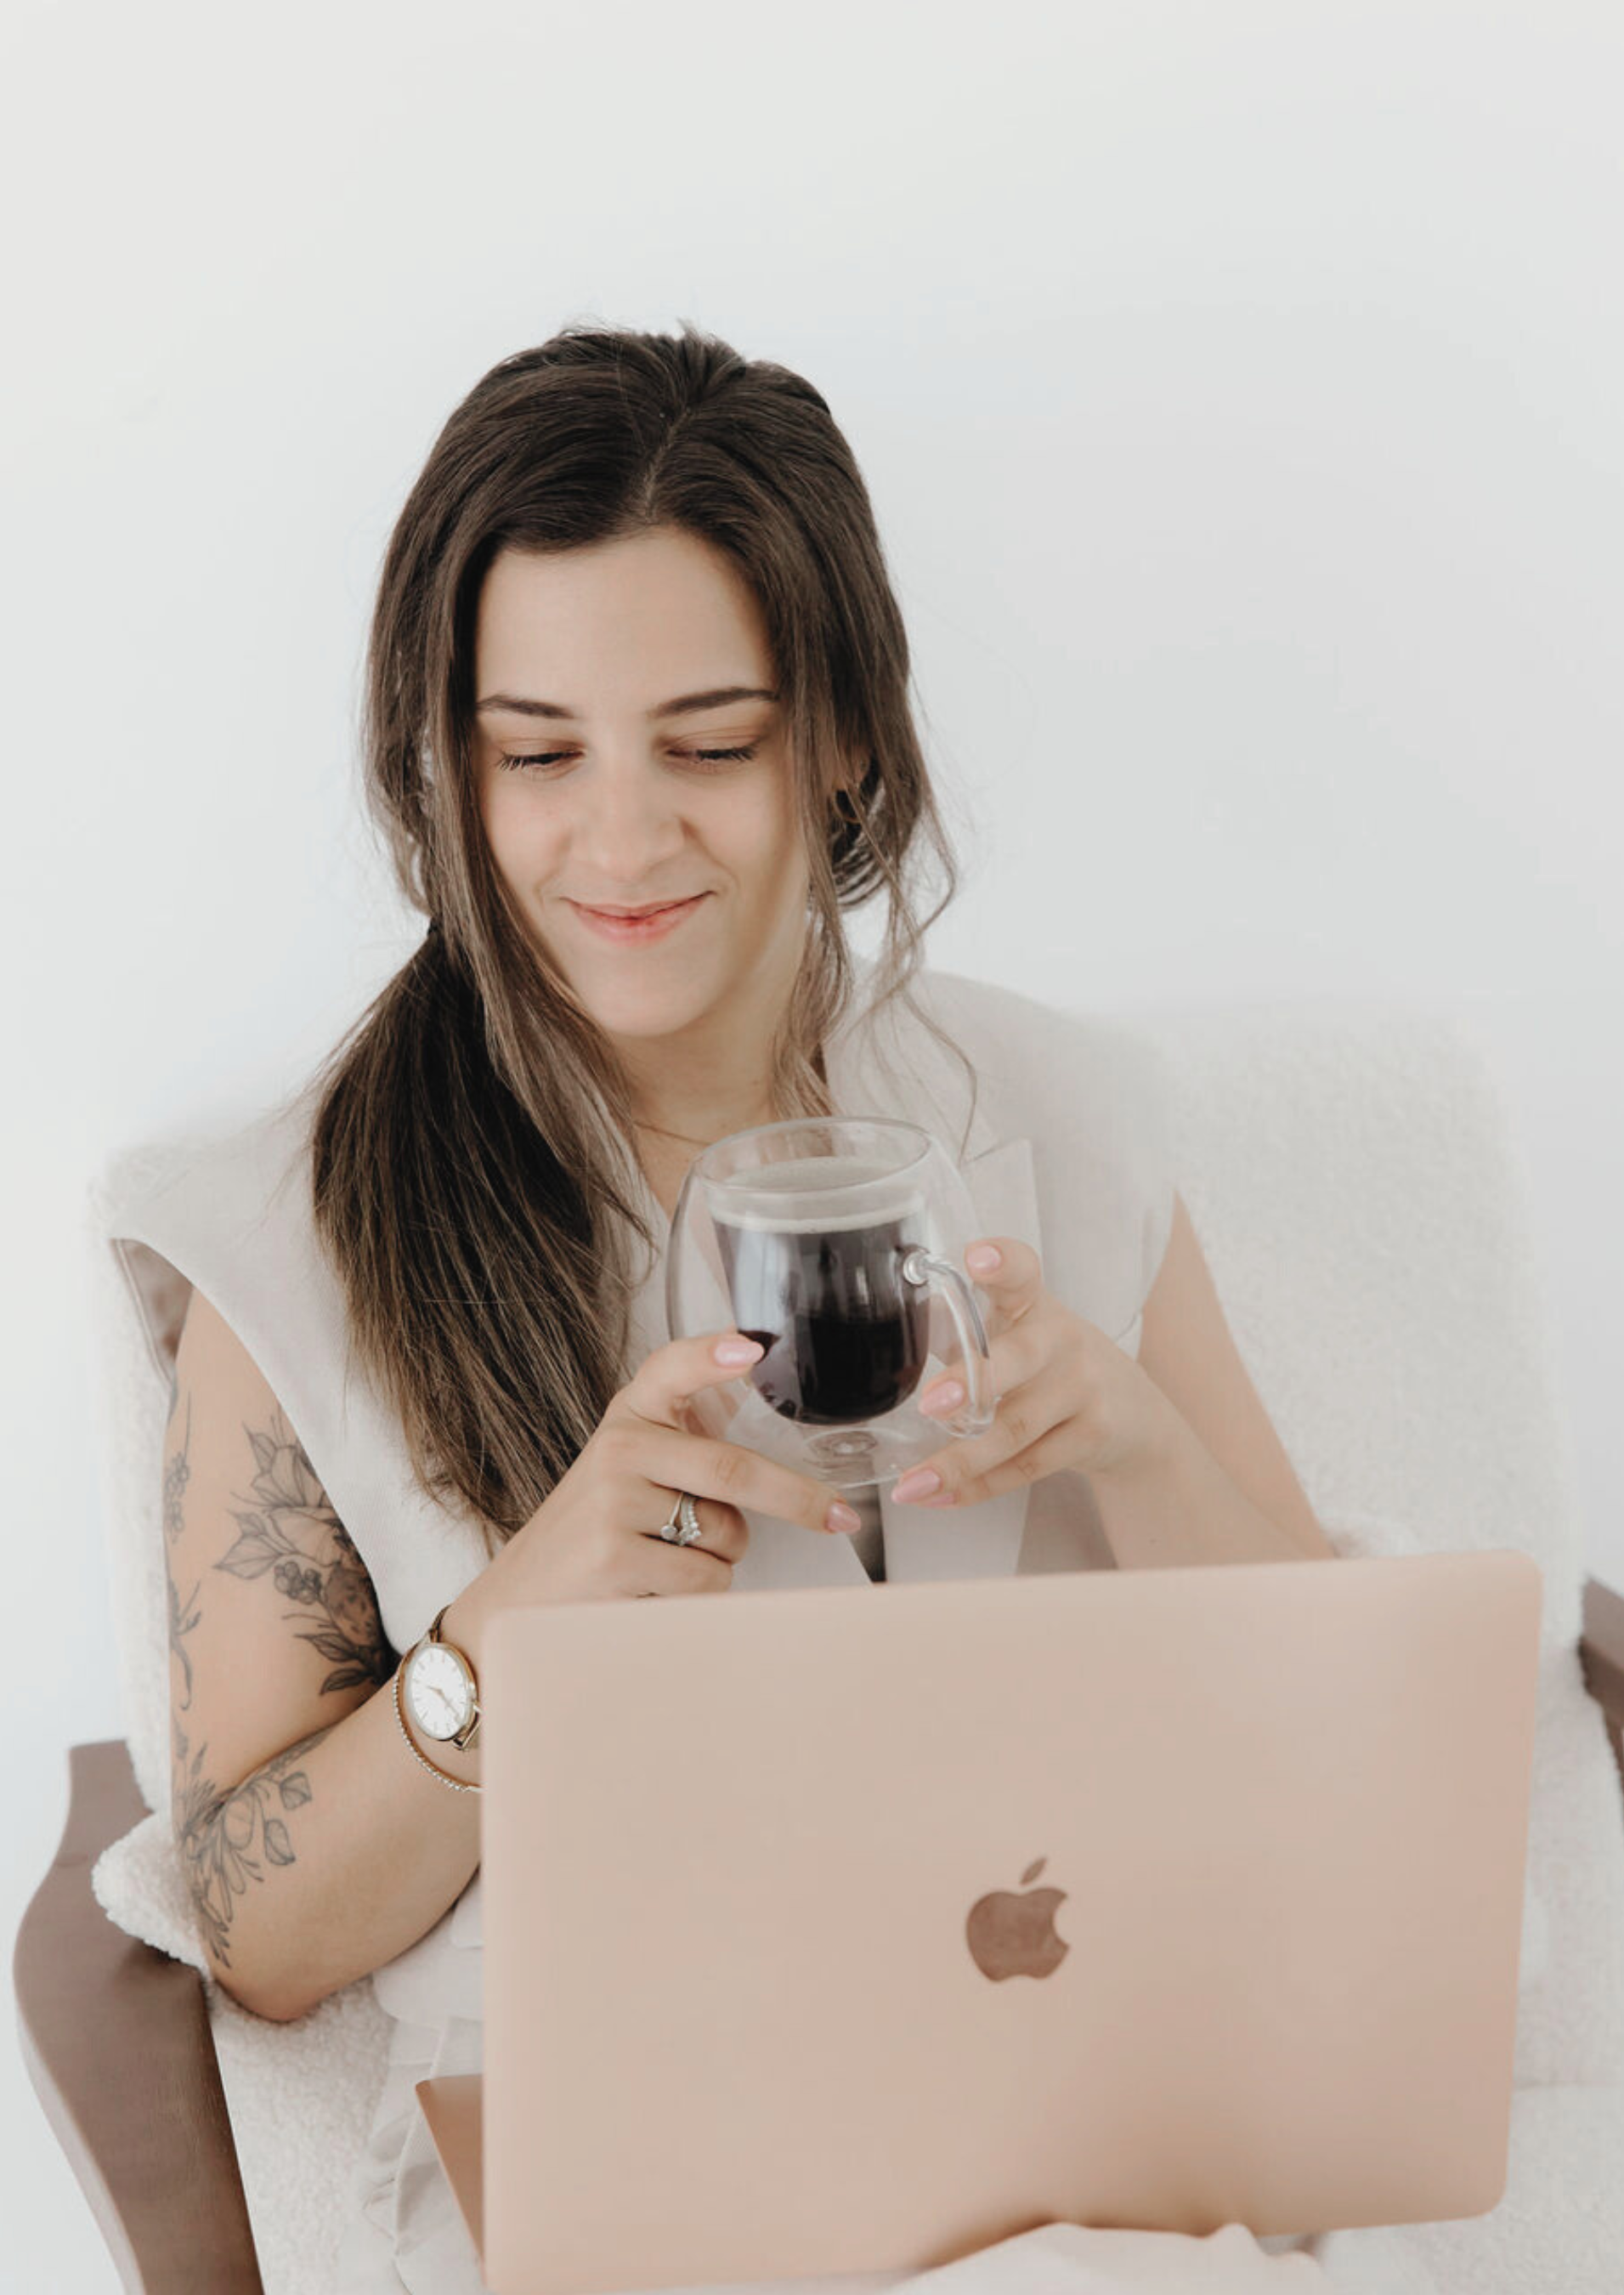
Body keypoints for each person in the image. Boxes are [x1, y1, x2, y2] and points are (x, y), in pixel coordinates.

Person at [116, 321, 1369, 2293]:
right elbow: (256, 1939)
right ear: (442, 764)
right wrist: (512, 1628)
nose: (617, 842)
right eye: (534, 755)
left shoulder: (1061, 1119)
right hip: (633, 2173)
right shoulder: (299, 1224)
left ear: (847, 736)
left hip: (1069, 2090)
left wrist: (1129, 1439)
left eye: (709, 744)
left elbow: (1343, 1727)